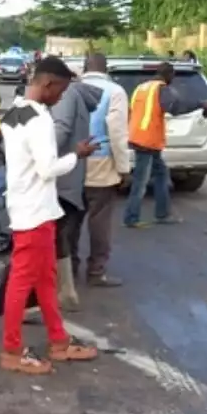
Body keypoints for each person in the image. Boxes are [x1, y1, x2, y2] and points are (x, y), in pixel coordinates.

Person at [0, 57, 99, 375]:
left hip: (28, 206)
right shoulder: (39, 119)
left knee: (45, 279)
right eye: (61, 90)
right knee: (22, 281)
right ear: (48, 84)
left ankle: (58, 341)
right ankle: (12, 350)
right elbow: (47, 168)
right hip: (34, 211)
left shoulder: (15, 112)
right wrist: (77, 155)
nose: (61, 98)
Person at [122, 62, 207, 228]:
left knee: (161, 175)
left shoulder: (141, 88)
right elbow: (175, 108)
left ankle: (162, 214)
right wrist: (201, 103)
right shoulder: (161, 89)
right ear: (169, 75)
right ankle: (131, 217)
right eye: (173, 76)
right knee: (141, 181)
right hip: (148, 140)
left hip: (139, 137)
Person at [49, 58, 105, 305]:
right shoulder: (75, 95)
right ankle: (66, 290)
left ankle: (62, 291)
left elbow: (59, 132)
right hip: (70, 176)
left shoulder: (67, 96)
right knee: (64, 236)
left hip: (60, 178)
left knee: (58, 237)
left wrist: (33, 155)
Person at [76, 53, 129, 287]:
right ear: (106, 68)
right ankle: (96, 271)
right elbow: (117, 132)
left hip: (73, 161)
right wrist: (124, 167)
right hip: (102, 161)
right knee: (100, 221)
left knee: (71, 220)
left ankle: (68, 269)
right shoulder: (115, 91)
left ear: (84, 67)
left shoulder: (72, 89)